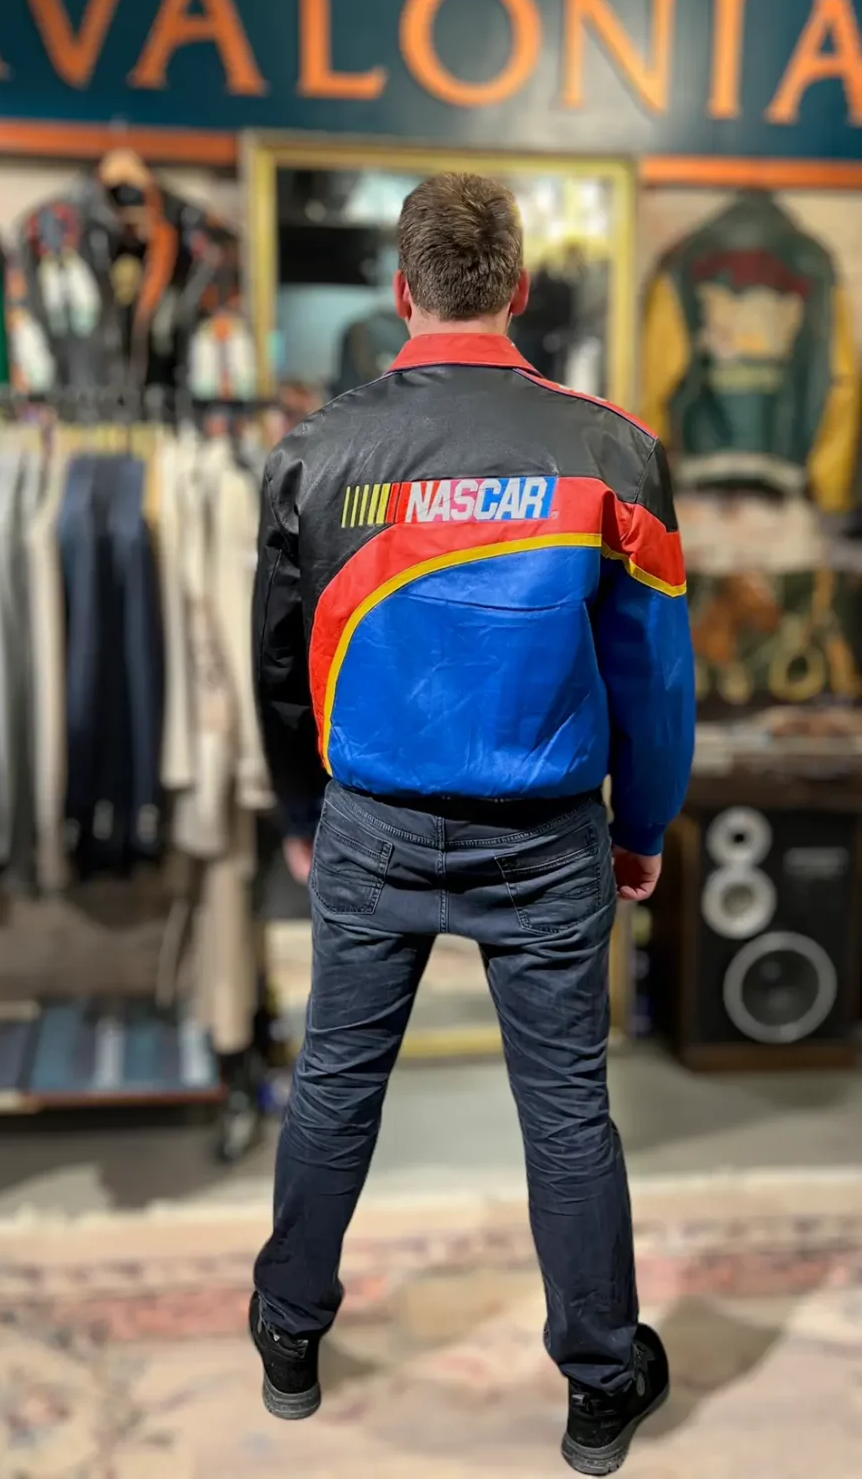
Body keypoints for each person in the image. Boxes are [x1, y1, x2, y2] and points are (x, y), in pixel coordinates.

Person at [248, 172, 696, 1474]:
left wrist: (302, 814)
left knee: (334, 1086)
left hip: (371, 825)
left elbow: (279, 666)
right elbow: (654, 677)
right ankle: (601, 1387)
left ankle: (287, 1337)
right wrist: (645, 823)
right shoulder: (613, 452)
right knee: (566, 1111)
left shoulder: (314, 453)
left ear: (402, 293)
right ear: (521, 289)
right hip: (549, 835)